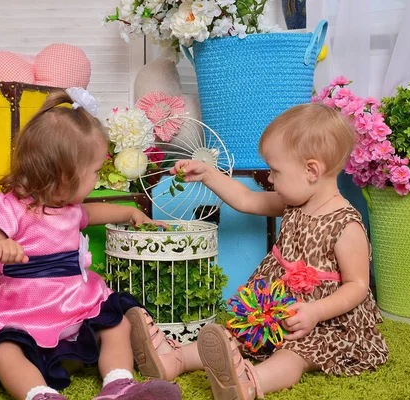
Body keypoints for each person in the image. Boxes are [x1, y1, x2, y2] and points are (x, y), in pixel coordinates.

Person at [129, 103, 389, 400]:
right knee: (237, 334)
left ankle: (250, 382)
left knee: (294, 354)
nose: (271, 179)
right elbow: (247, 200)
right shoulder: (294, 203)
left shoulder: (346, 225)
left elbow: (357, 286)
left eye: (275, 171)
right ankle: (174, 359)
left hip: (323, 324)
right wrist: (208, 174)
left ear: (312, 171)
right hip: (274, 311)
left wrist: (315, 312)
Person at [0, 88, 182, 400]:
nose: (97, 179)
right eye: (94, 172)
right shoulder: (10, 207)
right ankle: (39, 394)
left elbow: (92, 212)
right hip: (21, 311)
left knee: (117, 324)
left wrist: (131, 211)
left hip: (73, 304)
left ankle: (118, 385)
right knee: (2, 349)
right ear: (65, 177)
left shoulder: (69, 207)